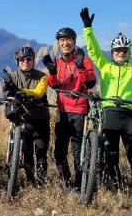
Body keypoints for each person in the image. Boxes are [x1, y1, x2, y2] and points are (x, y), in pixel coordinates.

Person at [80, 7, 132, 191]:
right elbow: (93, 50)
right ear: (112, 52)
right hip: (108, 114)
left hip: (128, 116)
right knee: (111, 155)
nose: (121, 52)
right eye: (117, 50)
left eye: (124, 50)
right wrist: (88, 28)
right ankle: (115, 185)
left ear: (128, 52)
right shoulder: (105, 67)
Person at [41, 27, 97, 193]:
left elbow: (90, 83)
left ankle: (79, 186)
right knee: (59, 152)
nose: (65, 43)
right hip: (62, 111)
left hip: (78, 110)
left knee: (77, 151)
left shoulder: (84, 60)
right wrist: (52, 72)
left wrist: (80, 66)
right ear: (58, 43)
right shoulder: (57, 62)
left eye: (68, 40)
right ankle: (66, 183)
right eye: (62, 40)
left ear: (74, 41)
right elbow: (55, 85)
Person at [3, 46, 51, 186]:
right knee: (27, 153)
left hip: (40, 119)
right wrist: (7, 86)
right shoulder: (12, 77)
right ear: (17, 61)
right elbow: (6, 95)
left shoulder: (42, 76)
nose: (25, 62)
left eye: (29, 59)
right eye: (22, 59)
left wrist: (20, 91)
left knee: (41, 153)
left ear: (33, 60)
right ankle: (31, 182)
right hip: (22, 120)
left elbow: (38, 93)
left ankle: (41, 184)